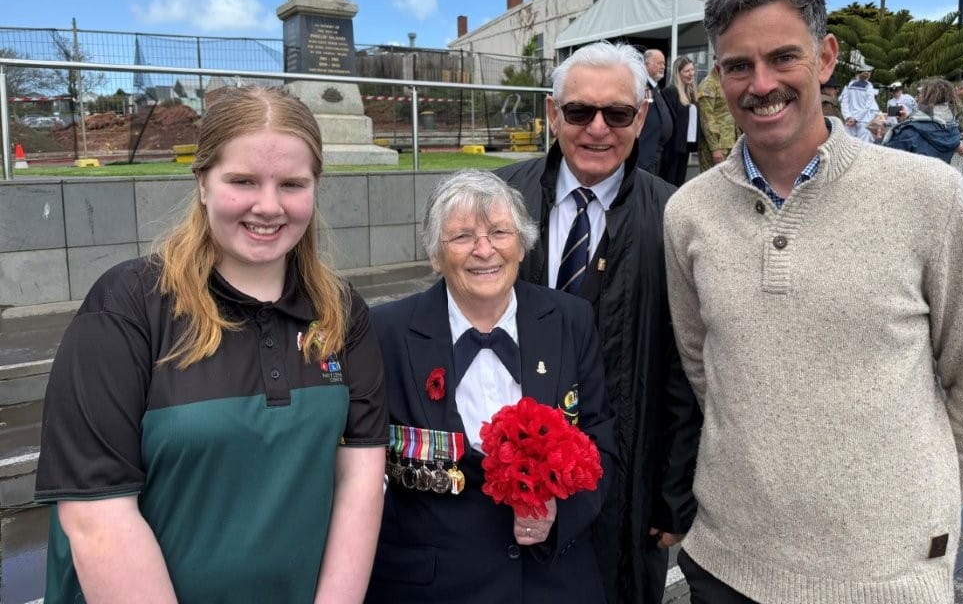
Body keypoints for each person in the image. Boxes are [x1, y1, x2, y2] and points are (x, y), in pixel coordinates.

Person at [664, 0, 963, 604]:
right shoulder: (687, 214)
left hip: (885, 581)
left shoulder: (929, 198)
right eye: (738, 66)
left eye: (782, 58)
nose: (761, 83)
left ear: (826, 58)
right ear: (717, 75)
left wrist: (914, 514)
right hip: (727, 568)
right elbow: (707, 367)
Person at [35, 87, 388, 604]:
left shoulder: (341, 312)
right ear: (202, 182)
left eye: (291, 184)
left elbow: (361, 482)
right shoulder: (127, 307)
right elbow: (96, 517)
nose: (268, 206)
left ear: (315, 188)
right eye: (242, 181)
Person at [496, 42, 701, 604]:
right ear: (552, 113)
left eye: (617, 113)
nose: (597, 129)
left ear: (641, 117)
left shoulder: (677, 215)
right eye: (579, 111)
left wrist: (673, 491)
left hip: (626, 478)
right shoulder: (498, 198)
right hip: (504, 472)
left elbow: (686, 367)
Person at [366, 170, 616, 604]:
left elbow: (601, 440)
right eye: (462, 237)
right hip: (435, 588)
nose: (484, 250)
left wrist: (558, 513)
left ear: (521, 243)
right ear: (435, 255)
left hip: (554, 581)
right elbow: (362, 469)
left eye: (500, 232)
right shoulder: (386, 332)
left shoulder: (570, 320)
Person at [884, 76, 961, 163]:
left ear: (927, 98)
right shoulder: (953, 130)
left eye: (921, 94)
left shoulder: (910, 133)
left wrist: (876, 135)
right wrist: (905, 121)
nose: (917, 97)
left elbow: (887, 160)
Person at [660, 55, 700, 186]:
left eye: (692, 70)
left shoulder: (691, 93)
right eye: (687, 71)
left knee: (680, 183)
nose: (691, 74)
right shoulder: (670, 92)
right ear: (678, 72)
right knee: (669, 183)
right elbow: (667, 121)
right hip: (672, 150)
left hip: (685, 148)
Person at [637, 48, 673, 175]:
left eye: (663, 63)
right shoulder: (642, 85)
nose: (663, 67)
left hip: (657, 151)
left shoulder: (655, 87)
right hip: (647, 152)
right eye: (658, 63)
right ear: (646, 64)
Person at [695, 66, 738, 171]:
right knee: (712, 182)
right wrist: (715, 148)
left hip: (731, 142)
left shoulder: (726, 81)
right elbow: (706, 118)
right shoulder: (708, 84)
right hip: (717, 146)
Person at [840, 67, 880, 141]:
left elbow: (843, 103)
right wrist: (856, 119)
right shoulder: (869, 87)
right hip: (863, 120)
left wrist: (848, 117)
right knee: (862, 147)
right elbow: (867, 107)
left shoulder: (849, 85)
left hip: (849, 121)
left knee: (849, 145)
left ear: (857, 73)